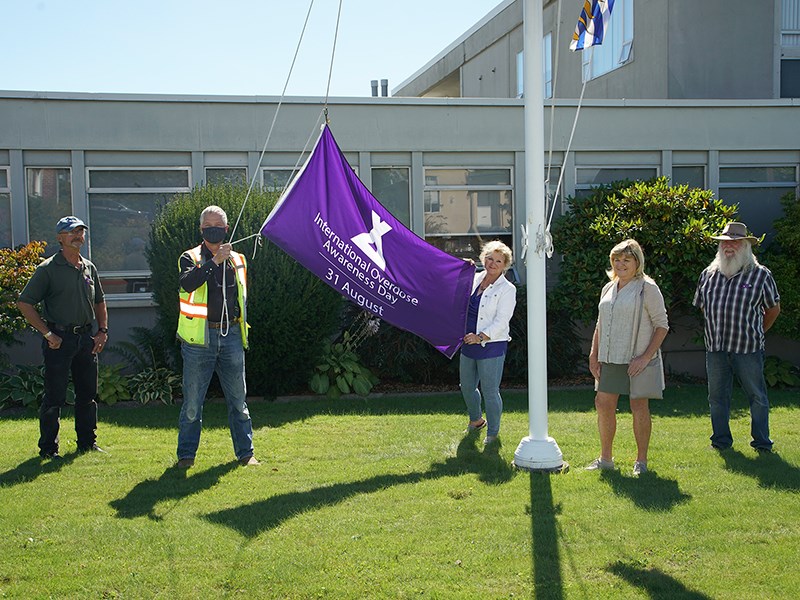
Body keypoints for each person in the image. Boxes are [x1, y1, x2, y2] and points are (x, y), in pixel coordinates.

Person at [17, 216, 108, 458]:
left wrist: (102, 331)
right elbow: (25, 303)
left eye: (80, 232)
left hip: (86, 338)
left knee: (87, 395)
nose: (78, 236)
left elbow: (99, 301)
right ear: (60, 238)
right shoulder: (48, 269)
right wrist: (47, 333)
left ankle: (87, 443)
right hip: (59, 339)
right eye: (72, 233)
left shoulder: (89, 267)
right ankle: (48, 449)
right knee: (54, 396)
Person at [176, 205, 258, 468]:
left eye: (218, 225)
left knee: (238, 400)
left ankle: (246, 454)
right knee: (192, 404)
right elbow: (187, 284)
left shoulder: (238, 258)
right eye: (208, 226)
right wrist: (214, 263)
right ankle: (186, 457)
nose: (213, 230)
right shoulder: (189, 257)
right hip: (199, 339)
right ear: (201, 230)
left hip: (232, 335)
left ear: (226, 228)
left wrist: (224, 259)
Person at [693, 221, 781, 453]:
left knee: (757, 396)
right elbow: (703, 306)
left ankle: (762, 443)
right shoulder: (708, 275)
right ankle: (720, 442)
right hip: (716, 347)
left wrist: (758, 331)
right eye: (725, 242)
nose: (729, 246)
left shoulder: (761, 275)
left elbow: (773, 309)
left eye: (735, 241)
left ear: (745, 246)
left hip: (748, 348)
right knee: (717, 398)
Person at [587, 239, 668, 476]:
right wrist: (594, 354)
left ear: (637, 262)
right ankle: (605, 459)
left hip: (637, 359)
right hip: (610, 357)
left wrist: (644, 357)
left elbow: (662, 326)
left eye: (626, 260)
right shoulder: (608, 288)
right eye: (617, 259)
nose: (621, 264)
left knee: (639, 405)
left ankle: (641, 461)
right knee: (603, 403)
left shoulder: (647, 287)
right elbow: (600, 324)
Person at [460, 240, 517, 446]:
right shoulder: (473, 279)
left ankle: (492, 433)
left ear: (504, 265)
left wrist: (481, 337)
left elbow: (502, 321)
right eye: (489, 258)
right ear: (483, 258)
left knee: (490, 391)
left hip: (491, 345)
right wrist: (461, 268)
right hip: (468, 341)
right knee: (466, 386)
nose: (492, 264)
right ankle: (476, 420)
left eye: (498, 261)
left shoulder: (507, 289)